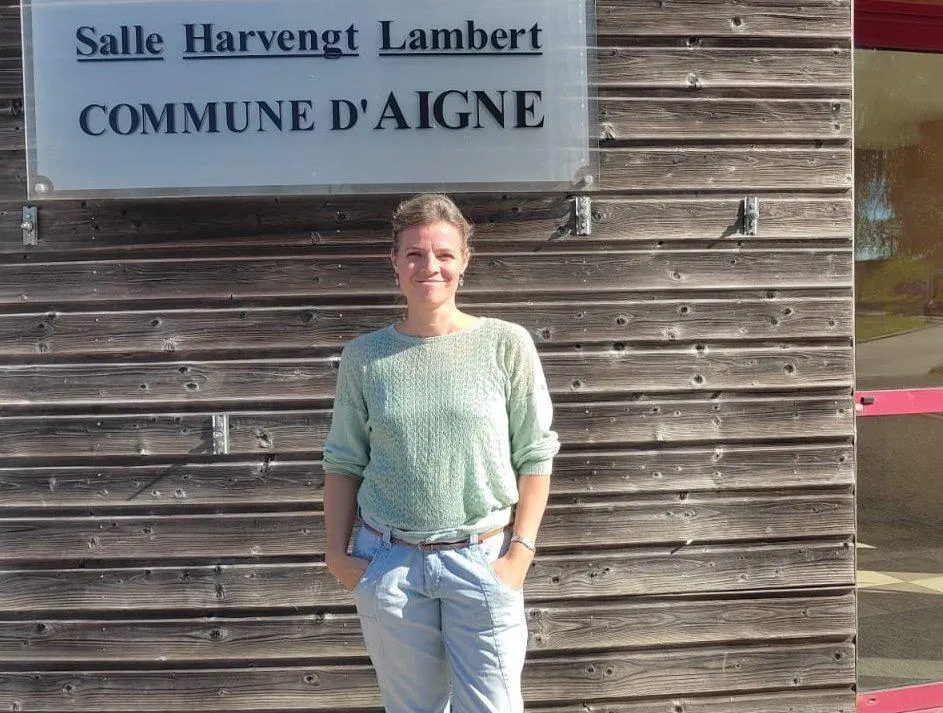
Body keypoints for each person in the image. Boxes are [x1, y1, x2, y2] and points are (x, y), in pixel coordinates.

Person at [322, 193, 560, 713]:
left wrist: (521, 553)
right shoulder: (365, 357)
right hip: (389, 561)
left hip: (483, 557)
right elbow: (343, 461)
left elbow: (536, 454)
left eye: (444, 254)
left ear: (464, 261)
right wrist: (338, 556)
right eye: (414, 253)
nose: (429, 266)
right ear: (395, 262)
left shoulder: (506, 344)